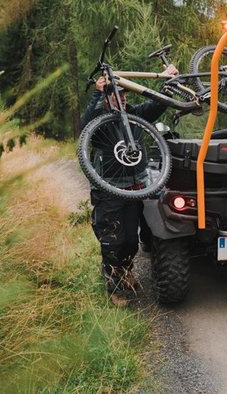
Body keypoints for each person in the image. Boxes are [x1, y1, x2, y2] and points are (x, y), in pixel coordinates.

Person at [80, 66, 178, 306]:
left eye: (124, 95)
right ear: (108, 97)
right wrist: (97, 94)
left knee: (131, 241)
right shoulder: (99, 121)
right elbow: (85, 126)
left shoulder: (134, 115)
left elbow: (157, 105)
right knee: (112, 239)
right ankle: (114, 287)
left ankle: (126, 273)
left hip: (135, 188)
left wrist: (169, 84)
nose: (122, 99)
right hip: (109, 191)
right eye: (117, 95)